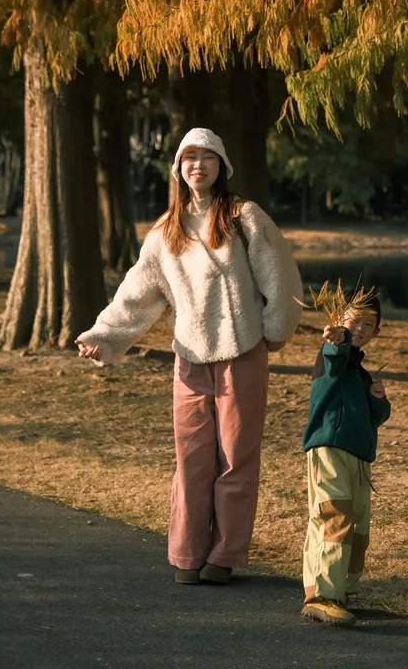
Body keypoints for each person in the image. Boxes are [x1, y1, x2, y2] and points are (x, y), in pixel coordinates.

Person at [76, 127, 303, 584]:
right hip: (190, 358)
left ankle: (224, 556)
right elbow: (137, 294)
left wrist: (274, 333)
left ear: (221, 165)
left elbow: (280, 279)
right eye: (188, 159)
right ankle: (187, 553)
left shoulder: (246, 218)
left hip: (242, 353)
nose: (197, 165)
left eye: (206, 157)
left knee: (236, 458)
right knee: (192, 457)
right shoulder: (165, 232)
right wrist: (104, 335)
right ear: (178, 169)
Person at [300, 295, 391, 628]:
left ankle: (342, 590)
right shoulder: (332, 357)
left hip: (359, 456)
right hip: (330, 448)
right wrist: (337, 340)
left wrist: (378, 401)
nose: (361, 329)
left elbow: (374, 418)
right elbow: (334, 352)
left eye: (369, 324)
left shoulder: (362, 373)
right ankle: (323, 596)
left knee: (358, 526)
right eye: (355, 321)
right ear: (339, 321)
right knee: (333, 517)